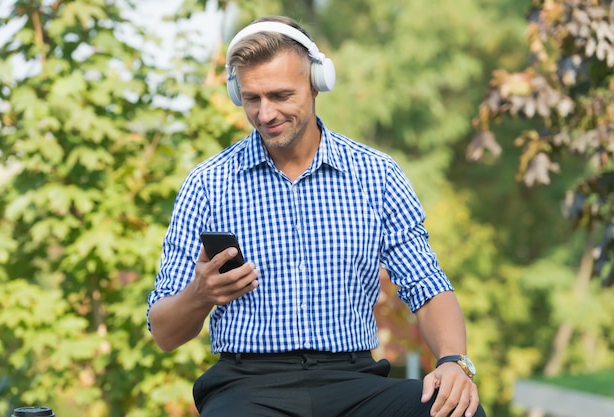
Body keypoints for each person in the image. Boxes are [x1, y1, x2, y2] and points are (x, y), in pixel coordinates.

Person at [147, 15, 487, 417]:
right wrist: (200, 295)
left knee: (456, 412)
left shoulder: (377, 175)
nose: (265, 113)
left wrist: (453, 363)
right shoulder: (207, 184)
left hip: (354, 380)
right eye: (252, 98)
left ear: (317, 83)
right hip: (247, 387)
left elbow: (428, 289)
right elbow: (164, 333)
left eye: (280, 95)